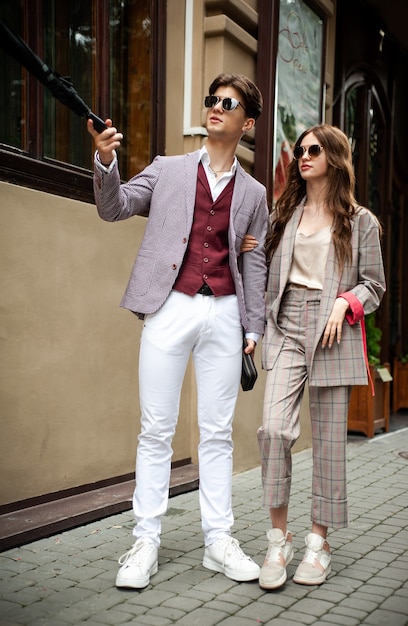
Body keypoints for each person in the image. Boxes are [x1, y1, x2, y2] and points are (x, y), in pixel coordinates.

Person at [87, 73, 268, 589]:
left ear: (246, 122)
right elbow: (113, 206)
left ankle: (219, 540)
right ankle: (145, 541)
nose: (215, 107)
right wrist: (105, 160)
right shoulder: (168, 170)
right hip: (169, 309)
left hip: (226, 314)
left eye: (227, 103)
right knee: (156, 430)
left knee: (216, 434)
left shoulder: (254, 192)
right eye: (212, 99)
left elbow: (254, 263)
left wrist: (253, 325)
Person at [256, 124, 386, 590]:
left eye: (313, 150)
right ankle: (278, 539)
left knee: (329, 443)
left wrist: (344, 301)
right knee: (273, 429)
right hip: (287, 321)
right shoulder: (284, 212)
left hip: (334, 327)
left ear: (334, 156)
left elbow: (374, 284)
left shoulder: (359, 220)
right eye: (299, 150)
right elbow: (263, 263)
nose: (302, 157)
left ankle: (318, 543)